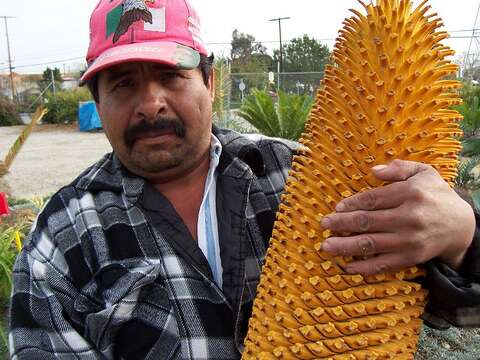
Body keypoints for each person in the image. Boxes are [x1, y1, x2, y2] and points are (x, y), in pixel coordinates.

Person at [9, 0, 480, 359]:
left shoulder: (301, 173)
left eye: (171, 76)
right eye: (124, 83)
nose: (150, 103)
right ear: (99, 100)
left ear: (209, 83)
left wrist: (465, 240)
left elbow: (462, 316)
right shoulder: (62, 239)